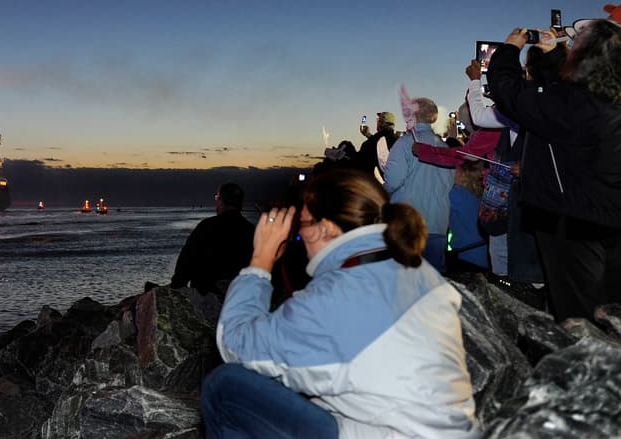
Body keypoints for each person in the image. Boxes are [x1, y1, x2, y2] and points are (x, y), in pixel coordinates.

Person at [202, 169, 479, 439]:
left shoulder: (341, 297)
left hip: (395, 432)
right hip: (430, 427)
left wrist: (261, 261)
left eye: (303, 223)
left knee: (225, 386)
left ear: (327, 229)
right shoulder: (414, 271)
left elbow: (236, 343)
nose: (299, 235)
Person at [486, 22, 621, 321]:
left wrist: (509, 49)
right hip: (619, 215)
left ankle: (588, 366)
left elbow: (507, 91)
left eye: (576, 46)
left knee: (579, 313)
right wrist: (552, 59)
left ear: (586, 58)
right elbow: (563, 95)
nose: (570, 48)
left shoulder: (570, 105)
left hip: (573, 219)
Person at [384, 97, 453, 272]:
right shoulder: (444, 147)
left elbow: (392, 181)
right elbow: (450, 184)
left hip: (408, 225)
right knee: (434, 281)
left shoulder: (404, 144)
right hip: (438, 224)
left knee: (405, 282)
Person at [171, 182, 256, 295]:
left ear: (221, 200)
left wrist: (176, 287)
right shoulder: (252, 231)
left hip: (207, 295)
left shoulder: (206, 227)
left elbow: (186, 261)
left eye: (217, 197)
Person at [354, 111, 398, 179]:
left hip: (375, 186)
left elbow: (358, 167)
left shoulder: (368, 144)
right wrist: (368, 135)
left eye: (378, 120)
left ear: (381, 123)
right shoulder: (400, 143)